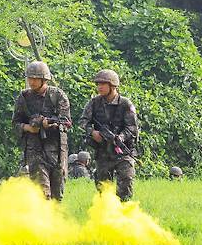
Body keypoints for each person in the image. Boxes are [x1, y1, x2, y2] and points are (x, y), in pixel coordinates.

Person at [12, 61, 71, 201]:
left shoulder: (57, 96)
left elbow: (67, 122)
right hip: (34, 150)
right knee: (42, 193)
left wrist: (50, 124)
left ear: (44, 79)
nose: (31, 82)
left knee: (57, 196)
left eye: (35, 78)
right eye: (29, 78)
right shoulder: (24, 97)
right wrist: (28, 128)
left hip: (56, 150)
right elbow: (15, 123)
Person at [79, 69, 139, 202]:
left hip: (123, 151)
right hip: (103, 151)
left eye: (103, 84)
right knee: (103, 188)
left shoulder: (125, 104)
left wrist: (120, 137)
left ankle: (124, 213)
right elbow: (83, 122)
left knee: (126, 180)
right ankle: (106, 215)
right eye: (98, 84)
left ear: (112, 86)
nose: (99, 87)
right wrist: (92, 132)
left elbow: (132, 127)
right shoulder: (94, 103)